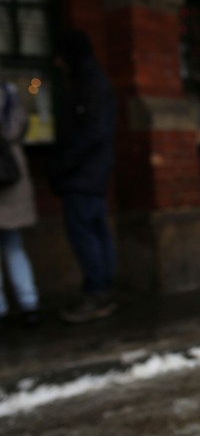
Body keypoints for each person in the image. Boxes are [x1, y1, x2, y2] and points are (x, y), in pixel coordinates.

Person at [50, 29, 118, 323]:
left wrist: (64, 164)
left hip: (83, 173)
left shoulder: (88, 82)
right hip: (92, 172)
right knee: (96, 233)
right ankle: (101, 289)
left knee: (86, 235)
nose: (56, 63)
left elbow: (92, 130)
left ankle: (97, 293)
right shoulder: (89, 79)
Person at [0, 79, 40, 329]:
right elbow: (22, 128)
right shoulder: (11, 95)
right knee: (15, 247)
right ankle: (29, 304)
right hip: (13, 175)